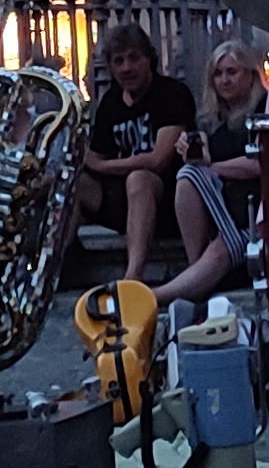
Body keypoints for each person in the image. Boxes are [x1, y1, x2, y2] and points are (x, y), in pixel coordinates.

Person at [151, 34, 267, 314]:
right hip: (221, 212)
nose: (224, 80)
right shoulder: (207, 120)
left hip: (254, 214)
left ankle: (149, 297)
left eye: (231, 72)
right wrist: (192, 152)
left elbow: (262, 164)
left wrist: (212, 167)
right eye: (217, 74)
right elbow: (200, 162)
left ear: (251, 76)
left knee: (218, 249)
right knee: (188, 174)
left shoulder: (264, 110)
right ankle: (195, 269)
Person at [80, 22, 197, 289]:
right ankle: (64, 263)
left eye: (134, 58)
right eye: (118, 61)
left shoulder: (172, 95)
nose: (126, 68)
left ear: (149, 59)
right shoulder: (110, 102)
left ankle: (133, 278)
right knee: (72, 183)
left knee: (139, 179)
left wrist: (102, 165)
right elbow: (93, 158)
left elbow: (158, 160)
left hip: (166, 199)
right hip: (119, 201)